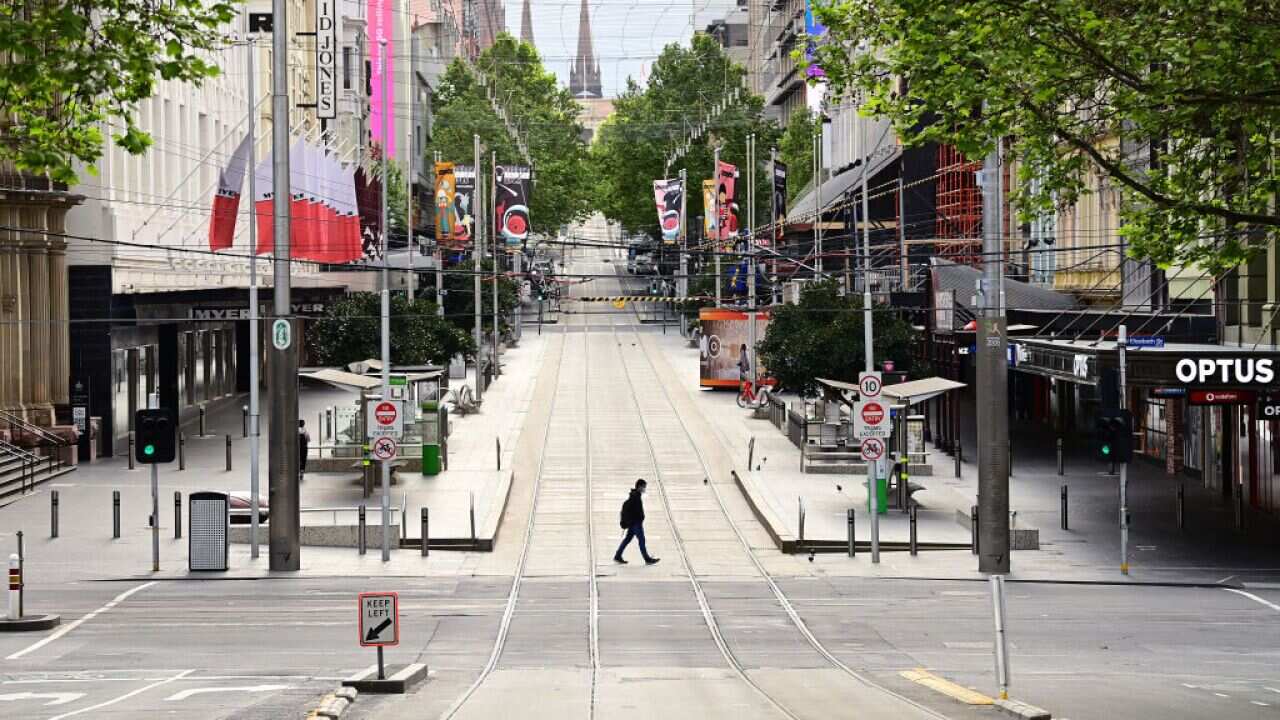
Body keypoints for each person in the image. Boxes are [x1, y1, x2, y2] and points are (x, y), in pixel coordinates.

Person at [615, 479, 659, 565]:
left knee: (627, 539)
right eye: (643, 487)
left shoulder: (635, 496)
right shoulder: (635, 497)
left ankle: (618, 555)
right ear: (639, 487)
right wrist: (640, 518)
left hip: (633, 523)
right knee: (641, 540)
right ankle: (647, 559)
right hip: (636, 523)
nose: (644, 489)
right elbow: (636, 511)